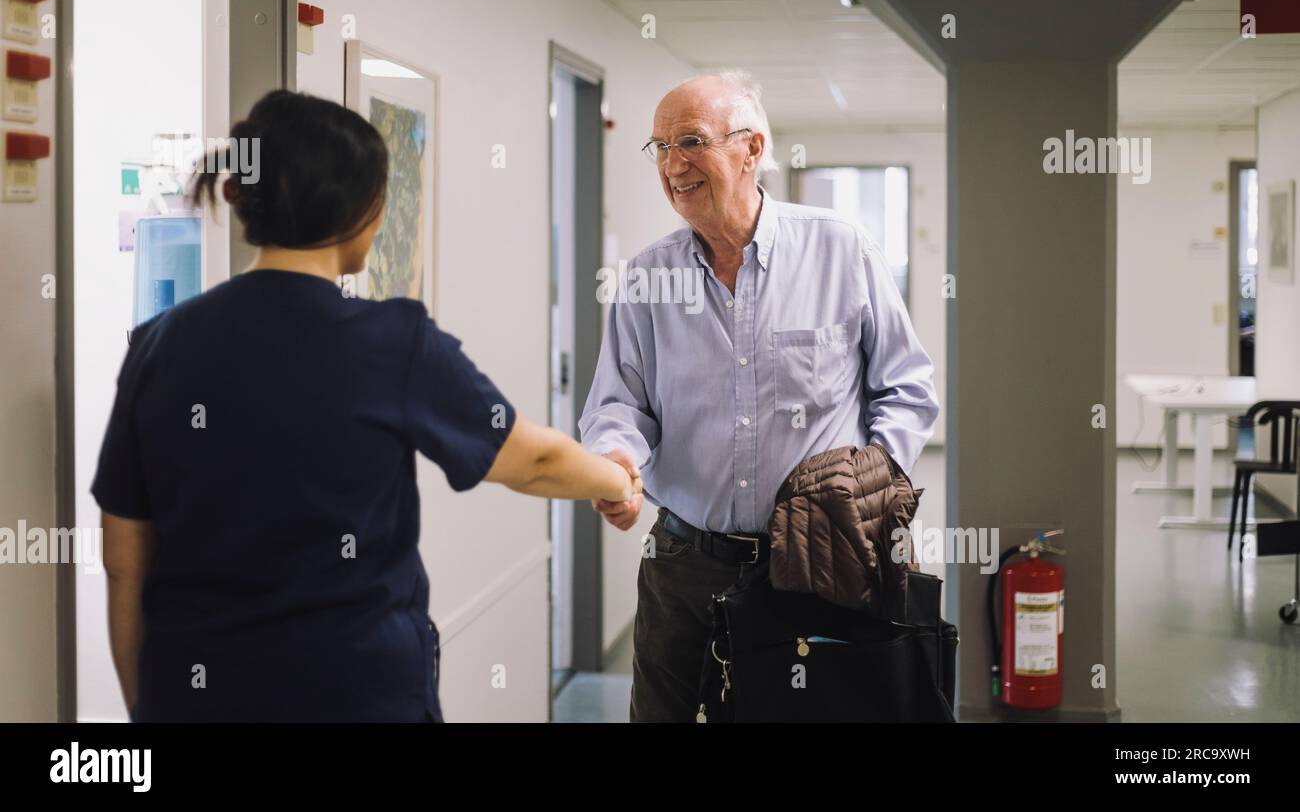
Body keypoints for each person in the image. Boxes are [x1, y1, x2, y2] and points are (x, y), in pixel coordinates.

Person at [94, 89, 639, 722]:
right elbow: (534, 459)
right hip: (353, 691)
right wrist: (617, 479)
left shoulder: (160, 344)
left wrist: (147, 709)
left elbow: (123, 560)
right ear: (361, 208)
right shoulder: (390, 341)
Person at [579, 70, 939, 721]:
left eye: (690, 141)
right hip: (685, 565)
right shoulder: (646, 278)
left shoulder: (840, 250)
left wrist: (871, 489)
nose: (672, 165)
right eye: (658, 148)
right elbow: (619, 404)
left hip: (820, 560)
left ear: (752, 148)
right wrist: (615, 459)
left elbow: (906, 388)